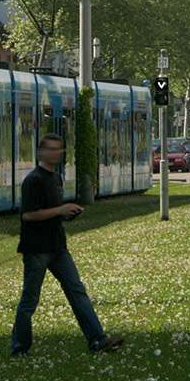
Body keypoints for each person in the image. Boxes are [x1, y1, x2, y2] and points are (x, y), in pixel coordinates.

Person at [10, 133, 124, 356]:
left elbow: (52, 212)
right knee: (30, 299)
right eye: (51, 149)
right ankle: (20, 347)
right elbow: (29, 216)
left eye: (59, 150)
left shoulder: (56, 178)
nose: (56, 154)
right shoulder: (34, 180)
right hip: (37, 249)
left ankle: (98, 340)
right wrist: (60, 210)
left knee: (77, 291)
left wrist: (68, 214)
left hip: (58, 247)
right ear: (41, 152)